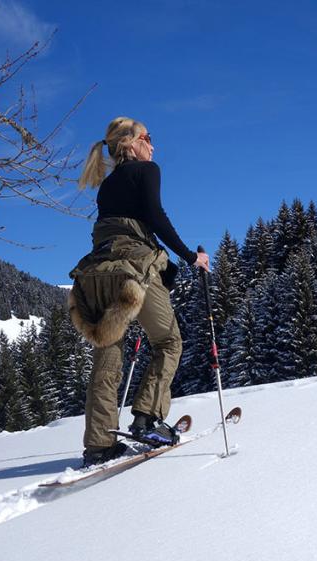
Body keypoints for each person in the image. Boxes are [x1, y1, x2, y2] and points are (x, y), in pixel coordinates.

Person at [69, 116, 209, 466]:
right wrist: (191, 257)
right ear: (130, 144)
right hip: (134, 270)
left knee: (108, 352)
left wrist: (170, 268)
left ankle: (99, 444)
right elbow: (155, 216)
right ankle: (147, 418)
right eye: (148, 137)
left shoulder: (106, 186)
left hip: (96, 272)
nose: (153, 145)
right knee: (168, 342)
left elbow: (121, 231)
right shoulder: (147, 170)